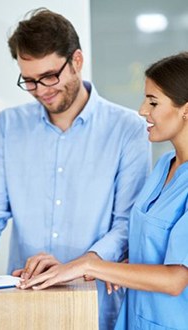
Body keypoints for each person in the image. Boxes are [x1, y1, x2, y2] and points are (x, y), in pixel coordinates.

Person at [0, 8, 151, 329]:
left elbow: (126, 225)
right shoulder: (8, 125)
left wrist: (75, 267)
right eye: (29, 80)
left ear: (77, 61)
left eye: (50, 76)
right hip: (23, 306)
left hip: (95, 305)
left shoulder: (128, 129)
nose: (41, 90)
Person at [17, 52, 188, 329]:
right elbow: (148, 251)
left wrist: (89, 265)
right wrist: (68, 268)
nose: (143, 110)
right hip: (135, 319)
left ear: (186, 109)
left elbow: (176, 279)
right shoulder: (163, 167)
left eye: (153, 102)